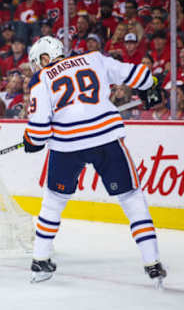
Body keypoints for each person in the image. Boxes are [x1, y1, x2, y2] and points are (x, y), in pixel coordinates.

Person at [24, 36, 166, 285]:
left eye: (38, 62)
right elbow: (137, 75)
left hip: (67, 145)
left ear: (45, 58)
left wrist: (31, 141)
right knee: (131, 197)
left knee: (53, 201)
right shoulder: (94, 58)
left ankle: (40, 260)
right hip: (106, 139)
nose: (38, 67)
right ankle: (152, 262)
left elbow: (39, 131)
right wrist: (152, 82)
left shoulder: (42, 78)